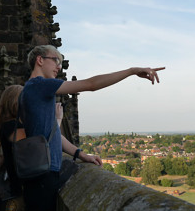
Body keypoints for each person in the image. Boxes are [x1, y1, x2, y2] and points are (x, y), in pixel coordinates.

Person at [19, 44, 165, 210]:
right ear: (40, 60)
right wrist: (131, 71)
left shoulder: (29, 90)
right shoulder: (40, 85)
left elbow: (53, 135)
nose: (59, 67)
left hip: (40, 174)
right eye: (55, 61)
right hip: (43, 177)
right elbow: (91, 84)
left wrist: (81, 154)